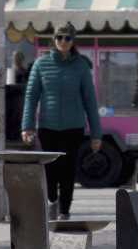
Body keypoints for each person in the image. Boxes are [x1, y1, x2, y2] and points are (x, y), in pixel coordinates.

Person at [19, 24, 101, 220]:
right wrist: (27, 126)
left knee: (68, 171)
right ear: (54, 40)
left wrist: (96, 134)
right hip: (48, 127)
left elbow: (90, 100)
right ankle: (51, 202)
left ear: (73, 42)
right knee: (49, 170)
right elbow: (31, 96)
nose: (63, 41)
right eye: (60, 37)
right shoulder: (41, 64)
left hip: (73, 128)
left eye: (67, 38)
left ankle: (64, 211)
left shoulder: (81, 65)